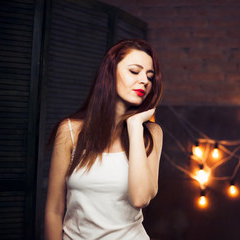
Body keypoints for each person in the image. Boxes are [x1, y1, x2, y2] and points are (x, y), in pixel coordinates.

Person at [44, 39, 164, 240]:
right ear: (109, 74)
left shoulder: (150, 133)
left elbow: (140, 198)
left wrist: (134, 126)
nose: (144, 80)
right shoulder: (69, 131)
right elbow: (53, 211)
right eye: (134, 71)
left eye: (150, 76)